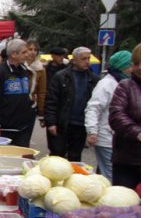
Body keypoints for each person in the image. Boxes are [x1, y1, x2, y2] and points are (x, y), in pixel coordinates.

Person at [45, 46, 100, 161]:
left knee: (75, 157)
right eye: (83, 59)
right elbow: (51, 101)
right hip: (63, 123)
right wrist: (51, 122)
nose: (87, 62)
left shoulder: (93, 79)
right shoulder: (61, 77)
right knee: (58, 156)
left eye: (88, 59)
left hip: (80, 125)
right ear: (74, 60)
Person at [84, 50, 132, 182]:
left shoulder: (126, 82)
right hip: (106, 137)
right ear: (123, 66)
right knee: (111, 175)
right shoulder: (106, 84)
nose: (132, 68)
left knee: (107, 173)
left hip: (119, 138)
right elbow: (93, 108)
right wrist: (92, 131)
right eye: (130, 65)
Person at [0, 38, 36, 147]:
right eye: (24, 52)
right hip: (5, 127)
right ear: (14, 54)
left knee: (21, 158)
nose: (28, 55)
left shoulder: (24, 71)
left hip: (23, 126)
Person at [109, 44, 141, 189]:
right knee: (124, 205)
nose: (140, 67)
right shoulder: (125, 86)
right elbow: (116, 115)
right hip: (128, 160)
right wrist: (137, 133)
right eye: (137, 63)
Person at [25, 39, 47, 132]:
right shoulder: (19, 66)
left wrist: (41, 112)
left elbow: (42, 92)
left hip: (31, 106)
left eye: (35, 50)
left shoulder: (40, 69)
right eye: (30, 49)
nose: (33, 52)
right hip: (15, 105)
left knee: (25, 136)